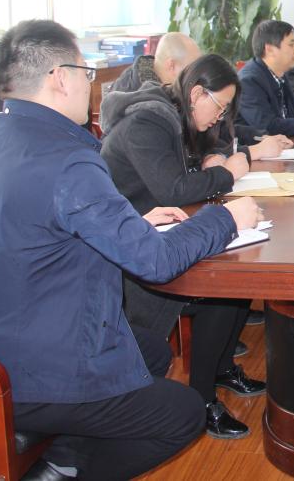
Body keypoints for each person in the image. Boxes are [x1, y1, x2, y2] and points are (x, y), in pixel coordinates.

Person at [0, 20, 259, 480]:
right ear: (60, 78)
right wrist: (227, 219)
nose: (91, 83)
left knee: (150, 352)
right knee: (182, 413)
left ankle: (62, 457)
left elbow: (41, 229)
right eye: (85, 71)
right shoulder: (66, 159)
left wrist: (132, 224)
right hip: (32, 375)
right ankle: (65, 472)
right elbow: (155, 262)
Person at [101, 54, 269, 440]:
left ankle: (221, 369)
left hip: (160, 229)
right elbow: (172, 189)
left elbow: (211, 144)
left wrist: (213, 155)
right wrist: (225, 172)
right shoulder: (147, 122)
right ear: (196, 94)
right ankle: (202, 398)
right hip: (130, 254)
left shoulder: (177, 113)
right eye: (219, 107)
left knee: (237, 273)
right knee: (220, 290)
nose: (220, 117)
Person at [103, 32, 291, 161]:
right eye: (192, 68)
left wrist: (260, 136)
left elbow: (218, 129)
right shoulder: (144, 105)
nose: (197, 74)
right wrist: (250, 152)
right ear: (171, 65)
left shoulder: (179, 92)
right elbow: (186, 155)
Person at [110, 32, 202, 93]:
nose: (195, 79)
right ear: (171, 66)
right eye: (191, 71)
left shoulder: (156, 78)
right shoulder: (144, 102)